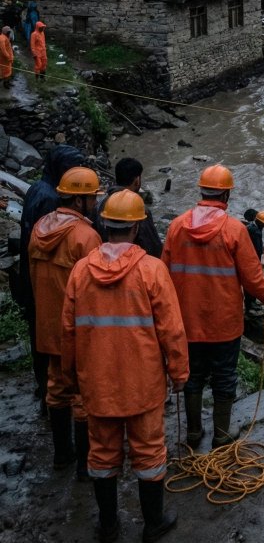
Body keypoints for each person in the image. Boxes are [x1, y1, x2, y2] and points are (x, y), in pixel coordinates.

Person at [62, 190, 189, 543]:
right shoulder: (152, 270)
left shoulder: (80, 272)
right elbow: (172, 330)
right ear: (136, 228)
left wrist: (70, 376)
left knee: (102, 453)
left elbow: (68, 331)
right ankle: (153, 524)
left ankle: (108, 526)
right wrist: (179, 374)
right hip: (143, 384)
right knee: (149, 453)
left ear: (104, 225)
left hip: (97, 384)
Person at [162, 164, 264, 449]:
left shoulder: (177, 227)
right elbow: (253, 279)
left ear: (201, 192)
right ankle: (222, 435)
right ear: (226, 195)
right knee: (224, 378)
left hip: (187, 321)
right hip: (224, 324)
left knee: (192, 377)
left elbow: (162, 276)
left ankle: (193, 433)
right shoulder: (234, 230)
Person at [28, 166, 102, 474]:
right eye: (93, 199)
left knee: (56, 388)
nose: (96, 204)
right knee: (82, 395)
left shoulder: (39, 228)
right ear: (81, 201)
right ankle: (86, 465)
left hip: (47, 327)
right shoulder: (86, 237)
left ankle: (62, 455)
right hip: (79, 331)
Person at [15, 144, 85, 410]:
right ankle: (54, 396)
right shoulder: (51, 199)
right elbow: (55, 246)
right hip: (47, 280)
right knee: (53, 341)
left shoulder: (36, 188)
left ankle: (45, 390)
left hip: (31, 275)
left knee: (39, 337)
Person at [98, 157, 163, 258]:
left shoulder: (101, 203)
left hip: (102, 261)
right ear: (137, 180)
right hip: (132, 264)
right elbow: (153, 248)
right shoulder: (139, 209)